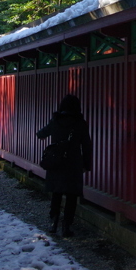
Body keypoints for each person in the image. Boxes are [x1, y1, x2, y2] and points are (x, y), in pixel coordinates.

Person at [36, 94, 92, 237]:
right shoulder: (80, 123)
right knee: (72, 196)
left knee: (57, 192)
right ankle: (66, 226)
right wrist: (87, 164)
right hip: (73, 163)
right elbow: (86, 145)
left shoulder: (56, 121)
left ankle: (54, 221)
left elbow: (41, 134)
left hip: (57, 162)